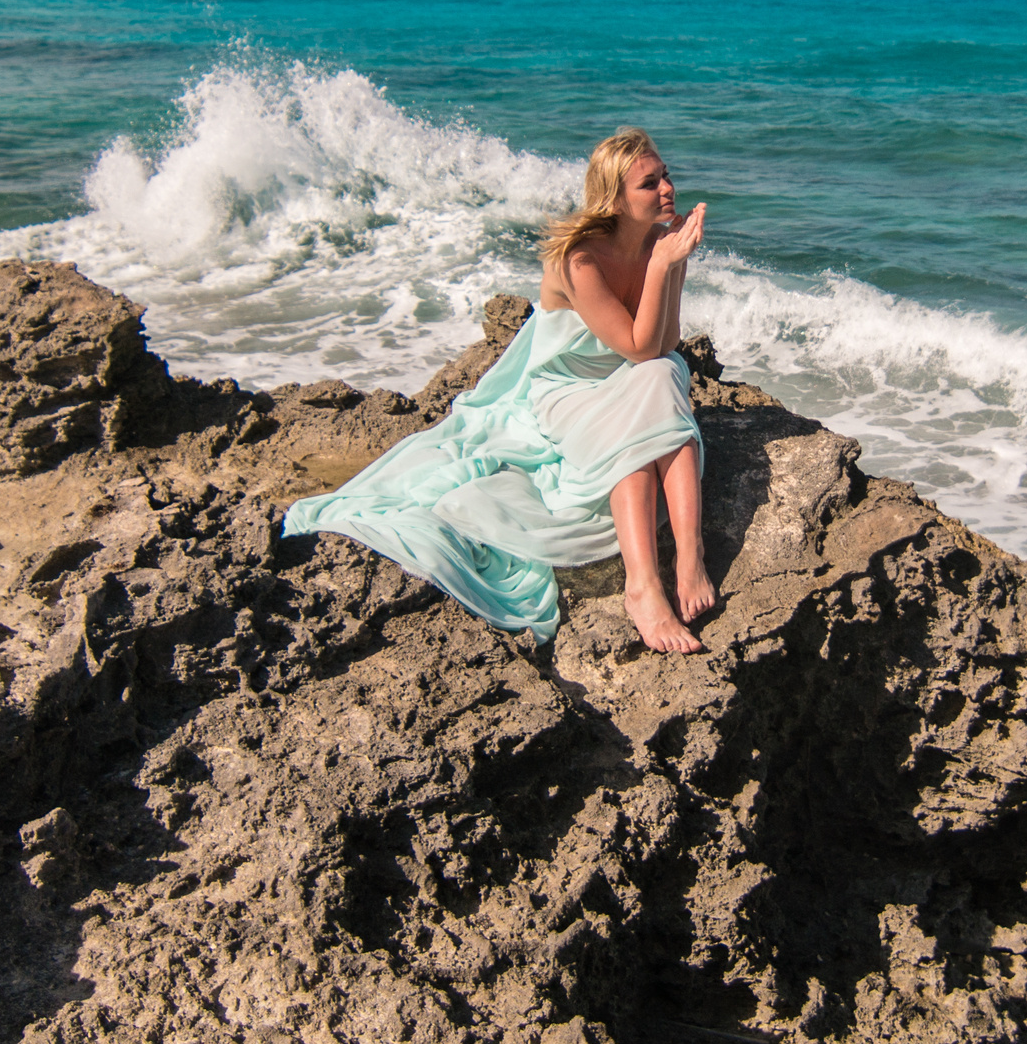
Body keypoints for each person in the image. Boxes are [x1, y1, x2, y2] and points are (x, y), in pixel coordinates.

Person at [282, 128, 715, 652]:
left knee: (667, 375)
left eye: (665, 174)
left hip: (629, 377)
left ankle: (689, 558)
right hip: (570, 391)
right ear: (615, 198)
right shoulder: (577, 260)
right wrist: (664, 267)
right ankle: (643, 588)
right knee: (649, 402)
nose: (667, 187)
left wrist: (672, 263)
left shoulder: (657, 242)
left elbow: (664, 343)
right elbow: (638, 345)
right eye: (650, 183)